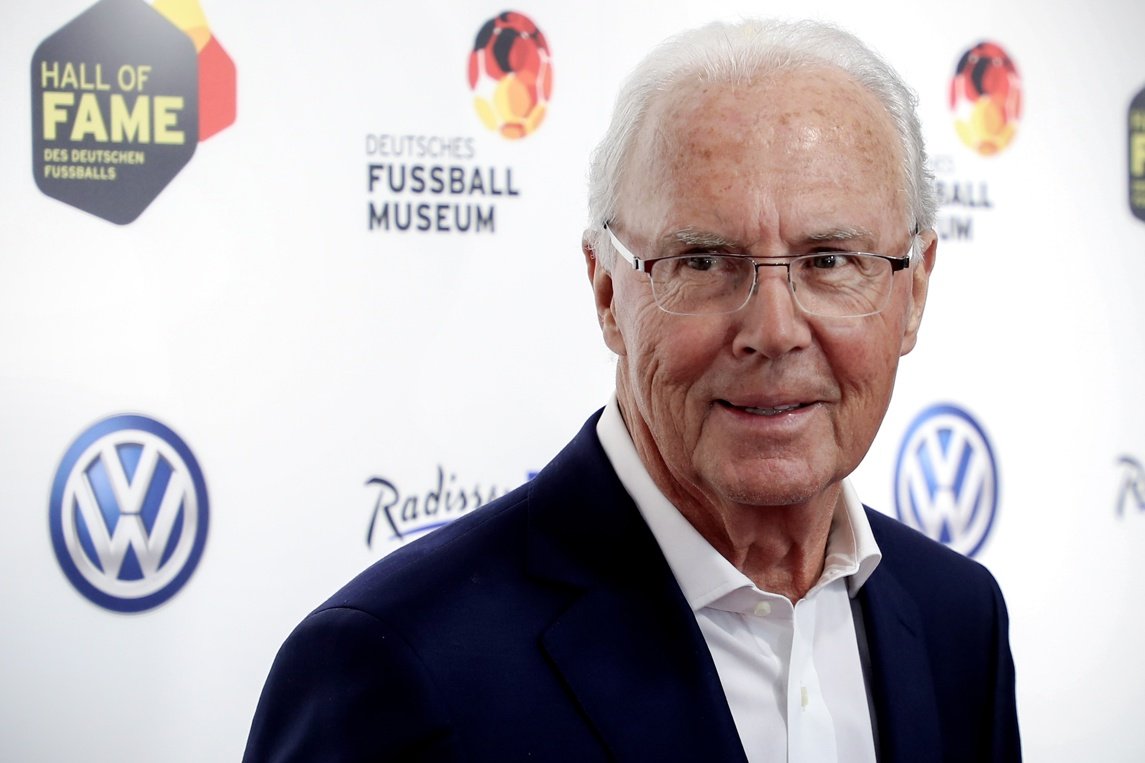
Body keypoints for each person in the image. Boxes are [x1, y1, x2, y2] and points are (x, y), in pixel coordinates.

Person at [244, 18, 1020, 762]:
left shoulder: (960, 619)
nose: (774, 329)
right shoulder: (396, 668)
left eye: (828, 259)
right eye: (705, 261)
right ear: (607, 293)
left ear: (913, 290)